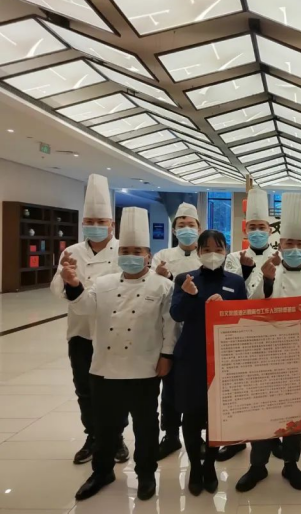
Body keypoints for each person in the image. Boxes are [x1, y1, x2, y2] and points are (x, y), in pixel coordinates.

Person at [61, 207, 176, 502]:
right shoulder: (103, 283)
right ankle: (102, 472)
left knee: (146, 425)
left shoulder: (163, 285)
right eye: (125, 251)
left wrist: (166, 356)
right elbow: (84, 308)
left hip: (144, 366)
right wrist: (73, 285)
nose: (130, 256)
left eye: (137, 251)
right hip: (105, 367)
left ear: (148, 255)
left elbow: (170, 325)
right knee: (105, 425)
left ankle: (146, 473)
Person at [236, 193, 301, 493]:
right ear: (281, 244)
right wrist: (265, 281)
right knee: (263, 414)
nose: (293, 249)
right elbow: (250, 309)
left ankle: (291, 463)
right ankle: (257, 466)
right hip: (269, 359)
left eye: (299, 244)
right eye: (288, 243)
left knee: (296, 415)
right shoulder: (268, 273)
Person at [50, 174, 129, 466]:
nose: (95, 226)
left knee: (115, 390)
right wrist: (68, 279)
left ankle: (116, 438)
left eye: (100, 221)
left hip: (116, 333)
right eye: (89, 221)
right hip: (80, 333)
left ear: (112, 224)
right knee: (84, 389)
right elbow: (57, 289)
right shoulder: (71, 252)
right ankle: (93, 436)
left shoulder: (124, 251)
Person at [170, 230, 248, 496]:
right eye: (206, 249)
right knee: (191, 416)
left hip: (224, 358)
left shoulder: (236, 282)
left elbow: (244, 319)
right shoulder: (185, 279)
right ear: (198, 252)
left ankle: (210, 466)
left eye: (218, 248)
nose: (212, 254)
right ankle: (195, 466)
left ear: (226, 251)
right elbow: (176, 314)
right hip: (191, 358)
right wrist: (188, 295)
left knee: (217, 417)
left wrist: (225, 308)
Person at [225, 188, 282, 461]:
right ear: (246, 229)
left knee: (272, 389)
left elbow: (280, 295)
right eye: (253, 227)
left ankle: (274, 437)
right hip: (242, 332)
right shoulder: (233, 257)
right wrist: (247, 271)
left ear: (270, 230)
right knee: (241, 389)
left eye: (262, 227)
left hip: (272, 332)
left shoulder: (281, 257)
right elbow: (232, 295)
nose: (257, 231)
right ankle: (237, 439)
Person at [151, 202, 203, 461]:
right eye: (181, 225)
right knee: (169, 387)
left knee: (196, 387)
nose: (186, 229)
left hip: (197, 333)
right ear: (174, 230)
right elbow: (152, 292)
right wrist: (161, 277)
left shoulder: (206, 257)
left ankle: (197, 436)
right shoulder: (161, 256)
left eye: (190, 225)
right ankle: (170, 435)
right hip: (169, 331)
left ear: (199, 229)